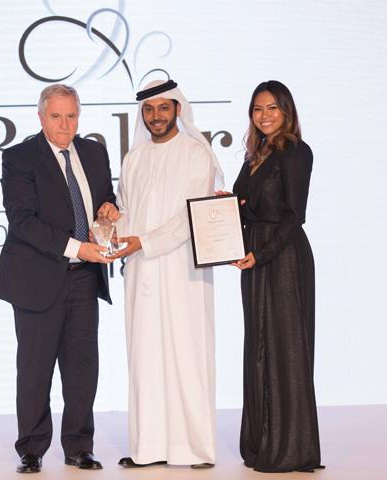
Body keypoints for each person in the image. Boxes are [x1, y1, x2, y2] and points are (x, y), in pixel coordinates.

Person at [0, 84, 119, 474]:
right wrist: (78, 247)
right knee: (35, 369)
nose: (65, 124)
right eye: (56, 116)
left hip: (84, 278)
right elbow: (23, 221)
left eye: (71, 116)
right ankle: (31, 449)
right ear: (41, 116)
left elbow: (104, 199)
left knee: (83, 369)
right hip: (37, 278)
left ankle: (79, 447)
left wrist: (110, 208)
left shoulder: (94, 152)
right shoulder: (19, 157)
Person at [111, 79, 224, 469]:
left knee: (187, 355)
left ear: (178, 109)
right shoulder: (133, 158)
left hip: (182, 271)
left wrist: (143, 241)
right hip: (140, 272)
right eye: (149, 109)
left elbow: (190, 217)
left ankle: (195, 448)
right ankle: (148, 448)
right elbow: (126, 211)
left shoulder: (197, 153)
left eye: (163, 107)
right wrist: (108, 223)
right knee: (144, 358)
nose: (156, 116)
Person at [218, 80, 324, 473]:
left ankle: (291, 449)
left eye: (272, 108)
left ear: (286, 111)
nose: (264, 116)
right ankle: (263, 445)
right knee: (260, 348)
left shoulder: (295, 152)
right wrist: (226, 208)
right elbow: (245, 204)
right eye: (258, 109)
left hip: (283, 257)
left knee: (285, 350)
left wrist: (259, 253)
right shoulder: (255, 154)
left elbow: (294, 217)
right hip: (255, 257)